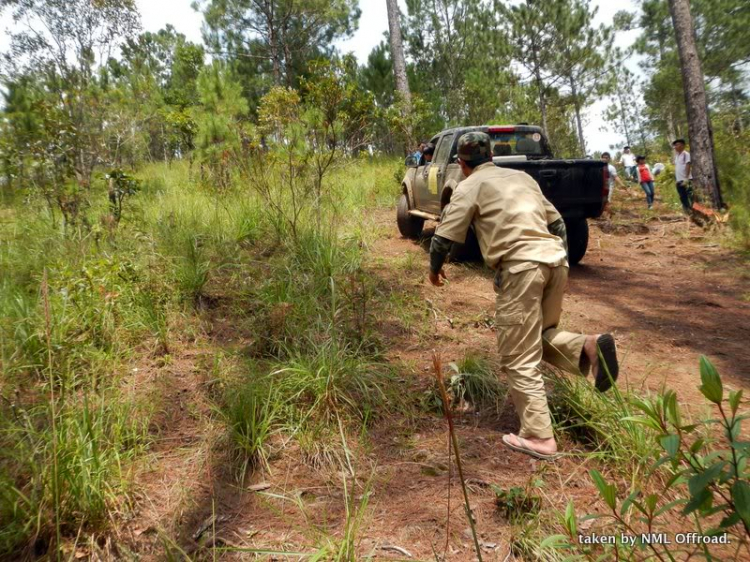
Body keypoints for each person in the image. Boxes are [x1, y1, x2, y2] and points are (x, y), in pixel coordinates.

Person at [428, 132, 619, 461]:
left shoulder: (469, 185)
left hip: (521, 268)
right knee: (539, 336)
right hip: (554, 261)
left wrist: (434, 270)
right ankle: (587, 345)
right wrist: (562, 259)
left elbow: (443, 237)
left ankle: (539, 436)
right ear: (491, 156)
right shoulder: (521, 178)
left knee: (517, 356)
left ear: (462, 163)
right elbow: (558, 222)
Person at [601, 151, 626, 216]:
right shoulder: (599, 167)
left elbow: (616, 177)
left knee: (607, 200)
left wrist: (622, 184)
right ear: (601, 158)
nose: (605, 159)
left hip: (609, 187)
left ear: (609, 159)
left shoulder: (611, 168)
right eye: (603, 157)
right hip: (600, 186)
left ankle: (608, 214)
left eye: (606, 158)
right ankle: (602, 213)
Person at [672, 139, 694, 213]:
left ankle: (694, 210)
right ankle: (688, 211)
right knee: (682, 196)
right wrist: (676, 180)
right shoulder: (677, 156)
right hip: (679, 180)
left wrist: (687, 178)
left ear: (682, 145)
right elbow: (677, 168)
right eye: (675, 145)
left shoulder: (686, 154)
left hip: (686, 179)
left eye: (677, 145)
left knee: (691, 195)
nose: (675, 147)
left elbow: (688, 165)